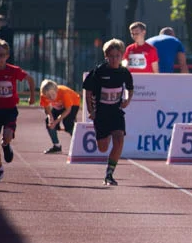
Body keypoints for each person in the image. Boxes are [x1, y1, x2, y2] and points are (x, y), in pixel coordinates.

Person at [0, 39, 38, 182]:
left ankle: (6, 144)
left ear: (7, 56)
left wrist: (32, 96)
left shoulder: (14, 71)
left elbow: (30, 79)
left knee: (7, 136)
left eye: (2, 55)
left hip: (9, 110)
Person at [83, 39, 133, 186]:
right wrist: (91, 110)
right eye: (111, 56)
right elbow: (88, 91)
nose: (114, 59)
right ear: (106, 56)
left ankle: (109, 174)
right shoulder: (99, 71)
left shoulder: (124, 72)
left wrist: (127, 100)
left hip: (116, 112)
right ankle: (107, 134)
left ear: (122, 56)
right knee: (103, 148)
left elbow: (130, 88)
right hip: (101, 114)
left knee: (119, 140)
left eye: (117, 56)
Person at [38, 79, 81, 154]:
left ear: (56, 90)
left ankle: (79, 145)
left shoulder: (64, 93)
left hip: (73, 103)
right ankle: (57, 146)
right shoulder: (43, 95)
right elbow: (47, 109)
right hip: (59, 105)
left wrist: (56, 121)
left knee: (67, 123)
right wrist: (50, 118)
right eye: (48, 96)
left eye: (53, 94)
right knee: (48, 122)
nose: (51, 98)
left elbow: (68, 110)